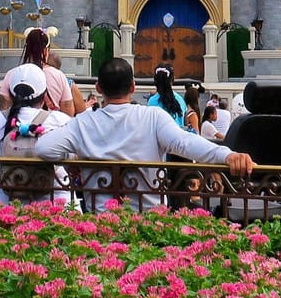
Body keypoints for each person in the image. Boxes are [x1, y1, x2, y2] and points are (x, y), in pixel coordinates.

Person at [34, 58, 255, 211]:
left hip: (100, 224)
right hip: (149, 221)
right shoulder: (153, 117)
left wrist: (78, 157)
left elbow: (43, 148)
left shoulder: (82, 123)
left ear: (98, 88)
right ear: (132, 87)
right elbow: (186, 143)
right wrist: (226, 155)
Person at [0, 64, 73, 205]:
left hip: (4, 202)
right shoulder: (60, 121)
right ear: (45, 95)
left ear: (10, 93)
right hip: (54, 202)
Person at [0, 29, 84, 114]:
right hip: (52, 125)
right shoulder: (59, 76)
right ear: (46, 50)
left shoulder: (11, 74)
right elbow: (67, 112)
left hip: (18, 125)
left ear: (27, 49)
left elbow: (4, 109)